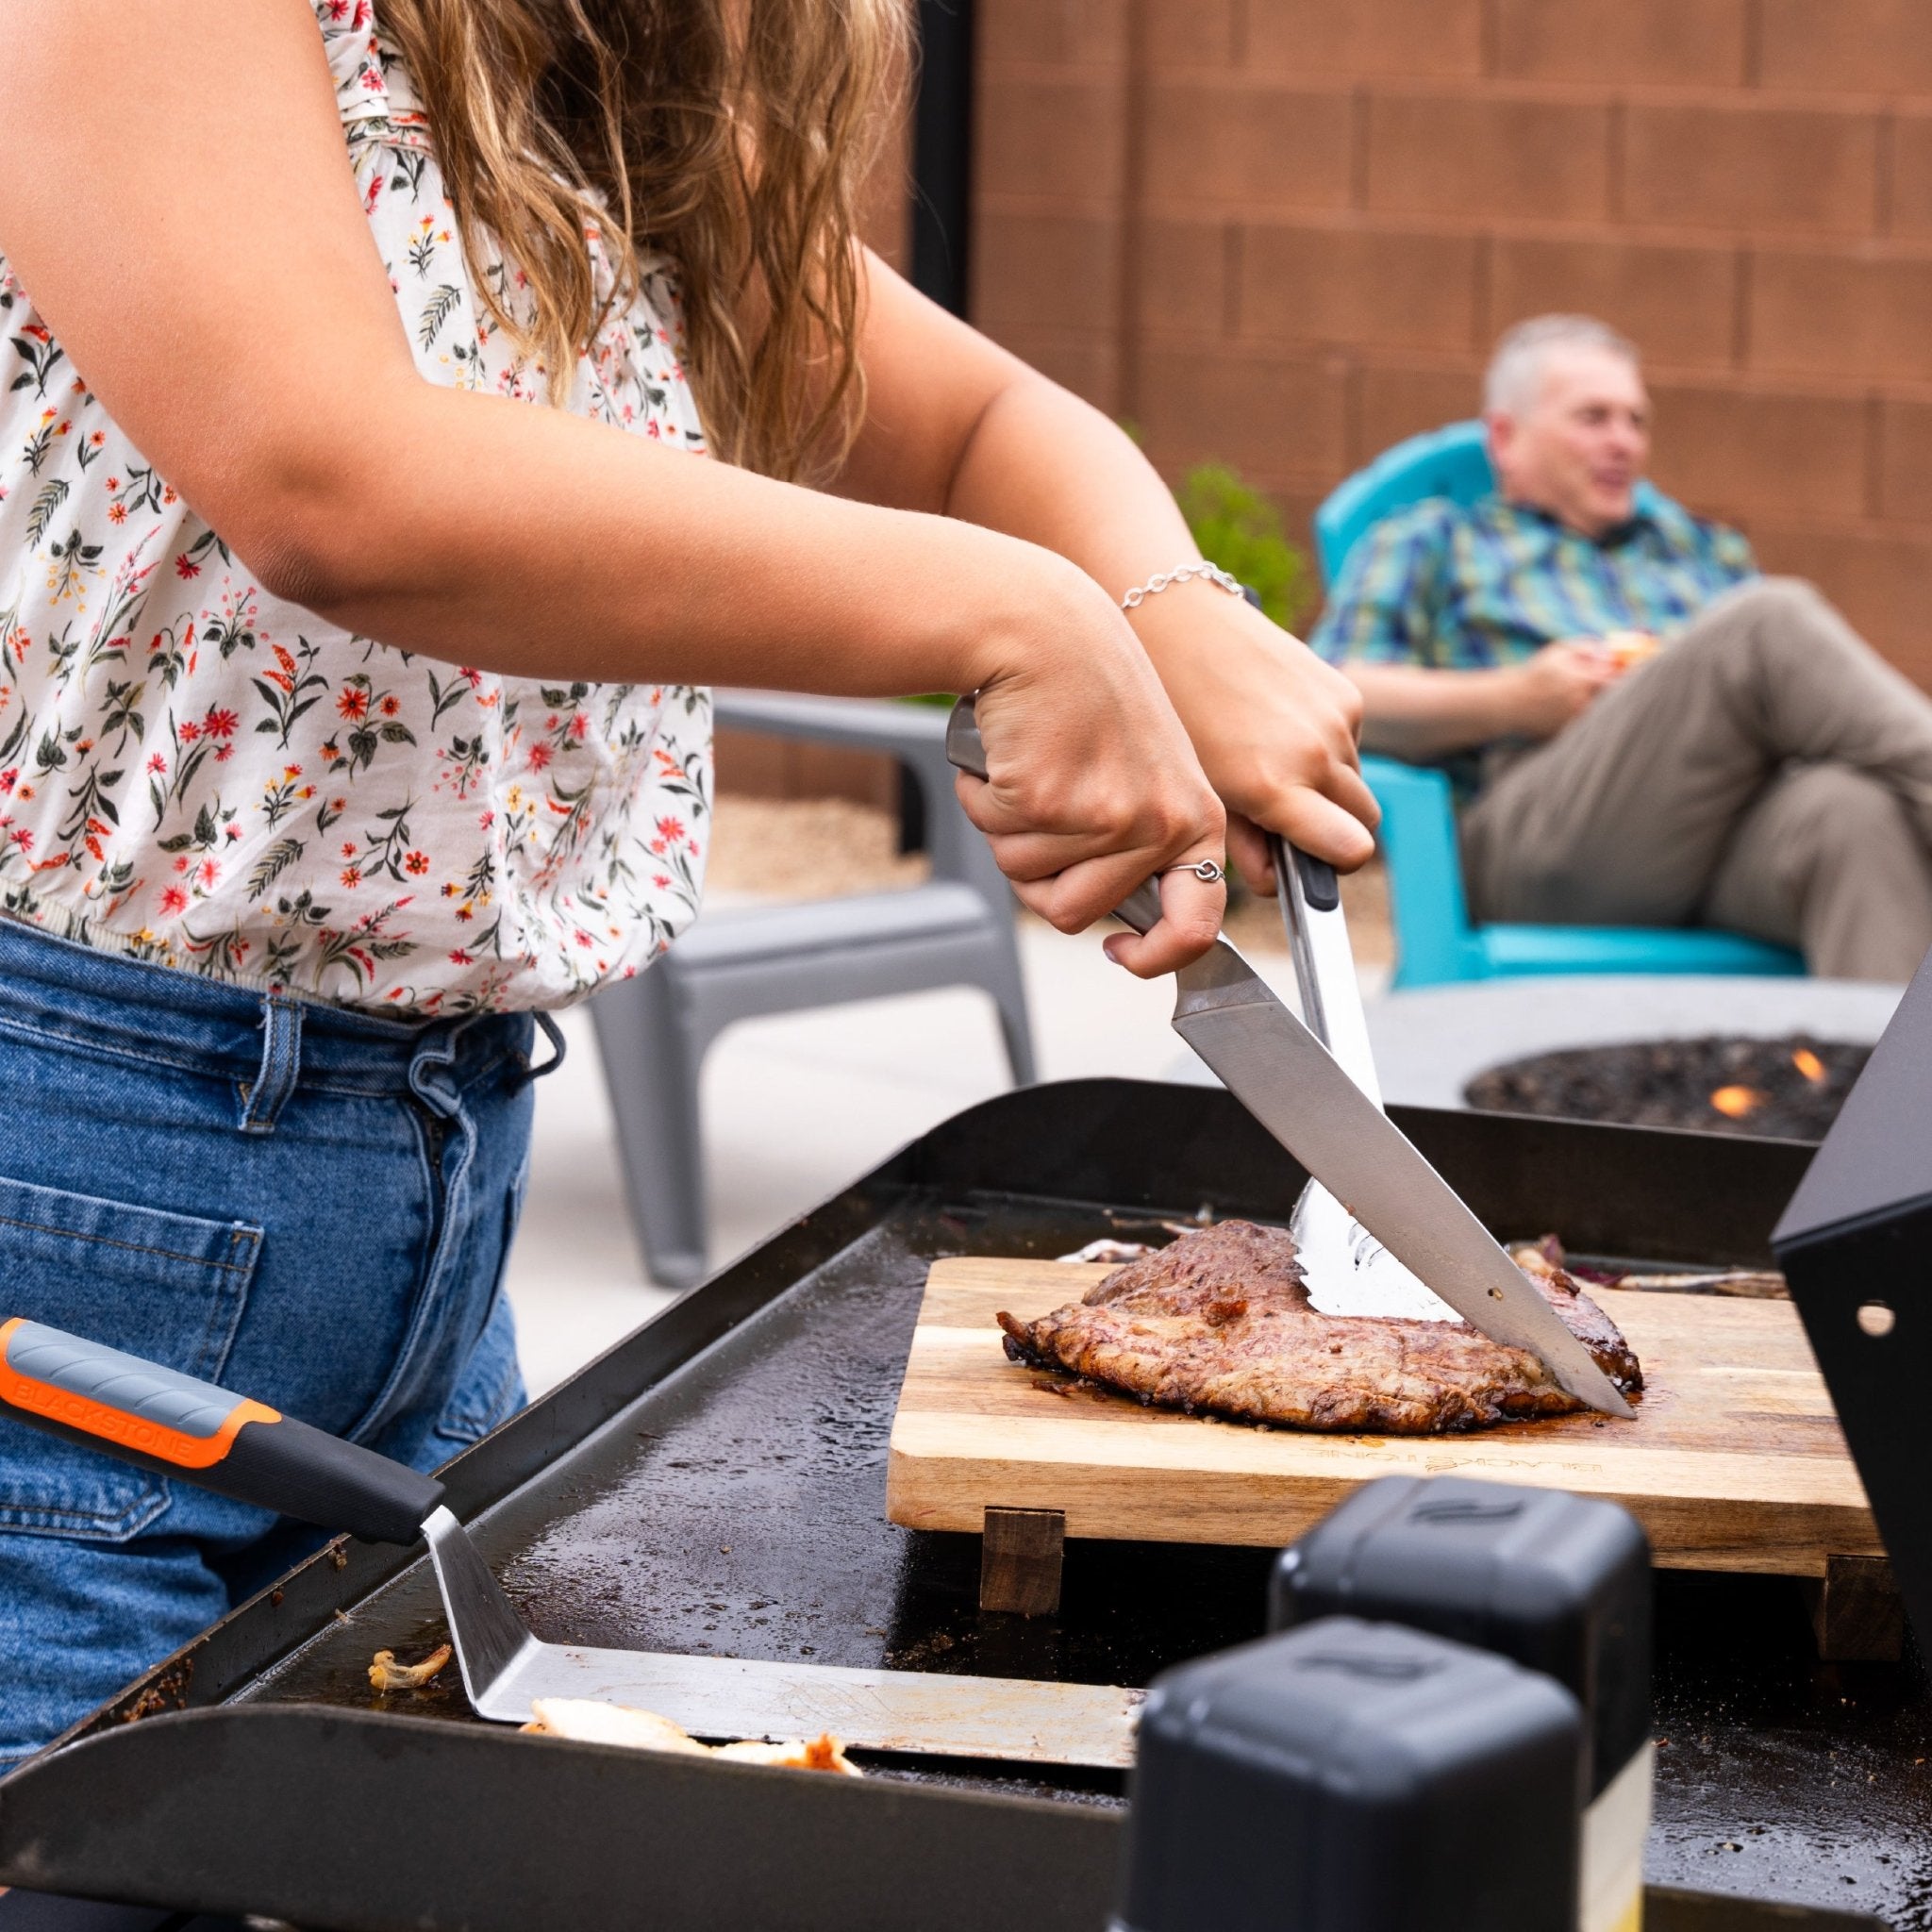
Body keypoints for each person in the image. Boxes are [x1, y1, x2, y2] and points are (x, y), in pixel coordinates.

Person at [0, 0, 1374, 1761]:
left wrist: (1165, 604)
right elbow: (328, 478)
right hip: (77, 1194)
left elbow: (978, 424)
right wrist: (1018, 614)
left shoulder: (579, 89)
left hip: (431, 1206)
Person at [1314, 311, 1932, 982]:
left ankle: (1890, 1056)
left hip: (1711, 833)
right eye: (1594, 418)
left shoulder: (1697, 549)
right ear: (1507, 438)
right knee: (1768, 621)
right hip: (1541, 841)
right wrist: (1513, 699)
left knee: (1853, 813)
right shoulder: (1432, 538)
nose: (1624, 442)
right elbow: (1335, 694)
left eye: (1636, 421)